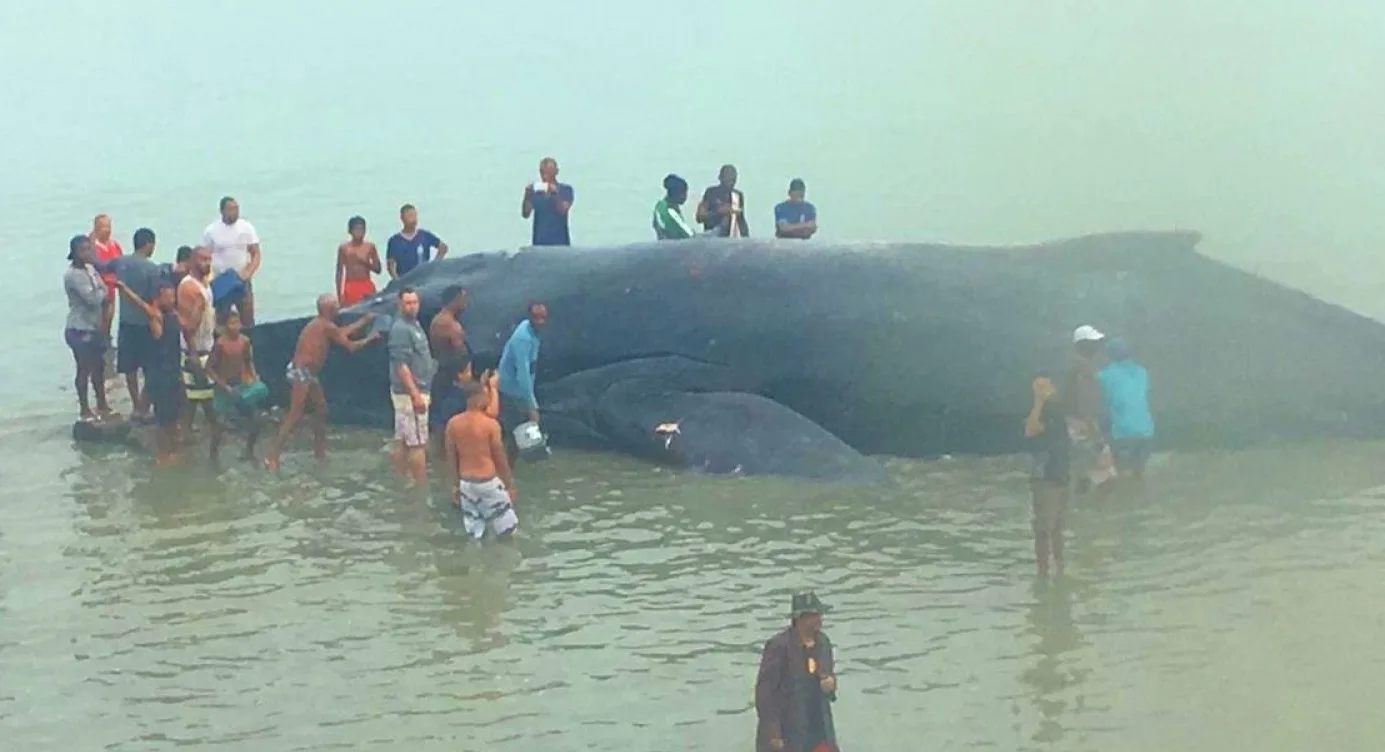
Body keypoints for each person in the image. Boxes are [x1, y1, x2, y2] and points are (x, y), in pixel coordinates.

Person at [263, 297, 378, 471]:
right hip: (301, 372)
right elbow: (350, 346)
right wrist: (370, 338)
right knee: (294, 415)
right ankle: (272, 456)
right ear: (329, 310)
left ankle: (319, 451)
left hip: (308, 373)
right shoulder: (326, 325)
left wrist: (362, 321)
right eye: (336, 307)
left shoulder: (321, 324)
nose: (339, 310)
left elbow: (340, 332)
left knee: (321, 410)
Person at [754, 592, 839, 752]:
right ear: (800, 618)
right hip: (787, 732)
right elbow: (764, 695)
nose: (819, 619)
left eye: (819, 614)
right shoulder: (778, 647)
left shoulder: (823, 643)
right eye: (814, 615)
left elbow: (829, 678)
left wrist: (831, 685)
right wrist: (773, 735)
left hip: (819, 729)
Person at [115, 280, 185, 465]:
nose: (171, 300)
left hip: (174, 371)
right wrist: (124, 288)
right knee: (162, 418)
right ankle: (163, 453)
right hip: (159, 373)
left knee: (174, 415)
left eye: (173, 296)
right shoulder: (156, 316)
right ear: (158, 299)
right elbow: (138, 303)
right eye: (167, 297)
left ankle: (172, 448)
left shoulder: (174, 316)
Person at [99, 228, 163, 422]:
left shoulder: (121, 262)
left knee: (129, 368)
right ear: (148, 244)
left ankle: (136, 404)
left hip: (126, 323)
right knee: (151, 366)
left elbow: (101, 266)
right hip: (145, 323)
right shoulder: (152, 269)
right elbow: (155, 299)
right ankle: (145, 405)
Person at [444, 381, 519, 541]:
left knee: (475, 535)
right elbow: (500, 457)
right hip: (488, 483)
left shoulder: (453, 424)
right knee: (508, 532)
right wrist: (509, 484)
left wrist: (454, 485)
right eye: (486, 395)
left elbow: (451, 457)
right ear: (478, 398)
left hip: (466, 484)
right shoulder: (491, 425)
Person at [388, 287, 437, 486]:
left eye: (414, 302)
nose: (412, 306)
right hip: (411, 394)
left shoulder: (413, 325)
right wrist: (415, 394)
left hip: (410, 392)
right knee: (418, 444)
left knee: (402, 439)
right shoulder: (401, 329)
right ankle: (420, 486)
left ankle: (400, 478)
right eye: (407, 303)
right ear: (400, 305)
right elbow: (401, 365)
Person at [64, 235, 115, 422]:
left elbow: (103, 291)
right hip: (79, 328)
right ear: (75, 253)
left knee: (99, 367)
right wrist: (102, 294)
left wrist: (102, 293)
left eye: (89, 249)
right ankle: (84, 408)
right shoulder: (72, 275)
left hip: (94, 327)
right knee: (84, 367)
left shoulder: (91, 269)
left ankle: (102, 404)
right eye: (83, 250)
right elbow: (93, 298)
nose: (87, 253)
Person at [206, 311, 267, 462]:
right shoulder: (220, 343)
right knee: (219, 425)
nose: (235, 327)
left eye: (237, 323)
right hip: (223, 386)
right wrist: (223, 385)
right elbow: (209, 368)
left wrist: (253, 376)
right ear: (225, 326)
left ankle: (248, 451)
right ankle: (213, 456)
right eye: (231, 323)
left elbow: (248, 361)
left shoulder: (244, 341)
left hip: (240, 385)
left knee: (256, 419)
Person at [1025, 373, 1070, 578]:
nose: (1041, 391)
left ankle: (1053, 569)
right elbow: (1031, 430)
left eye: (1044, 386)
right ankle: (1047, 570)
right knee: (1048, 526)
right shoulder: (1044, 410)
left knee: (1052, 526)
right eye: (1037, 388)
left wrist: (1039, 402)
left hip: (1056, 473)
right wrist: (1038, 403)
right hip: (1050, 473)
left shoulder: (1055, 409)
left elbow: (1032, 430)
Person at [1067, 325, 1116, 492]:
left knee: (1084, 470)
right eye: (1094, 343)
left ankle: (1081, 509)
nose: (1097, 347)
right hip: (1083, 425)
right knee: (1106, 472)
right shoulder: (1083, 367)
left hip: (1078, 424)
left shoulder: (1076, 365)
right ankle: (1094, 511)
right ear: (1083, 345)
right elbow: (1083, 399)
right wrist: (1092, 427)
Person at [1098, 336, 1155, 479]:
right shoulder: (1143, 372)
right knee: (1138, 475)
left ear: (1109, 355)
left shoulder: (1104, 376)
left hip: (1121, 433)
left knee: (1122, 477)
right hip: (1146, 431)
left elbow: (1099, 404)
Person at [497, 302, 547, 463]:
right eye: (536, 318)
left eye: (543, 318)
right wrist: (531, 405)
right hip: (512, 390)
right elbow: (522, 374)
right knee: (515, 434)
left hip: (520, 389)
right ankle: (506, 470)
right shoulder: (523, 339)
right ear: (529, 318)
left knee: (521, 434)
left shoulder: (531, 331)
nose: (540, 322)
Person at [178, 247, 218, 442]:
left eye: (209, 259)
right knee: (201, 395)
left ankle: (189, 432)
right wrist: (193, 354)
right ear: (193, 261)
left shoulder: (205, 284)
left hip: (208, 345)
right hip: (195, 350)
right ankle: (213, 430)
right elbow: (187, 326)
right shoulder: (188, 287)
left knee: (196, 396)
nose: (207, 263)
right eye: (203, 259)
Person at [202, 196, 262, 326]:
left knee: (247, 319)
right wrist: (206, 278)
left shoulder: (246, 228)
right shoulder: (211, 231)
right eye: (231, 209)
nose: (234, 211)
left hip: (242, 280)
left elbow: (256, 253)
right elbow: (204, 256)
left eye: (236, 208)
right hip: (222, 280)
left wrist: (248, 272)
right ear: (222, 211)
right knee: (221, 319)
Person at [521, 157, 575, 246]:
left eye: (549, 172)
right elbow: (526, 214)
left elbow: (563, 210)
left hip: (560, 243)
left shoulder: (565, 190)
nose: (545, 176)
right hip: (539, 243)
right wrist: (527, 195)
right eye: (542, 172)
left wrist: (555, 194)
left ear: (556, 172)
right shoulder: (537, 192)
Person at [385, 204, 448, 279]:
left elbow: (443, 247)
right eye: (409, 216)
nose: (413, 219)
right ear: (402, 218)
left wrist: (434, 265)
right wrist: (397, 280)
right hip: (405, 279)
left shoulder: (424, 235)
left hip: (423, 279)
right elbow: (391, 265)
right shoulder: (394, 241)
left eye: (415, 216)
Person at [90, 214, 124, 345]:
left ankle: (107, 344)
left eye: (109, 226)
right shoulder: (92, 247)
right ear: (96, 228)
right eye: (104, 227)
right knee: (99, 324)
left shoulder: (114, 244)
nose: (108, 230)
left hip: (112, 289)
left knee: (109, 320)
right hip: (99, 291)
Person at [336, 215, 382, 306]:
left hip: (366, 283)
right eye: (356, 229)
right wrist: (339, 294)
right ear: (350, 231)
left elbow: (378, 270)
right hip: (350, 285)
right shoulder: (344, 248)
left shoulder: (370, 247)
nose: (359, 232)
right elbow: (339, 272)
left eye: (362, 229)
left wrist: (362, 261)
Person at [696, 164, 749, 237]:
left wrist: (746, 239)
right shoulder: (711, 193)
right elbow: (699, 217)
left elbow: (741, 221)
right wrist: (719, 212)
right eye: (728, 179)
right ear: (720, 178)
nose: (731, 182)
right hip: (712, 237)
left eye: (733, 179)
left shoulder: (737, 195)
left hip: (730, 239)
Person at [652, 174, 696, 240]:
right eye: (684, 193)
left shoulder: (659, 206)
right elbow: (689, 235)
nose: (686, 197)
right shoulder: (671, 212)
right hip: (672, 247)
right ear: (677, 194)